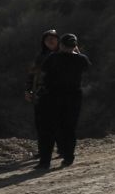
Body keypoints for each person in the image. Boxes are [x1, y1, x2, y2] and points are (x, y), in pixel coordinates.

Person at [34, 33, 91, 169]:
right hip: (73, 97)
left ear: (61, 45)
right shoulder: (81, 59)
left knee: (47, 129)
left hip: (52, 96)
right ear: (74, 46)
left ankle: (45, 161)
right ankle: (68, 157)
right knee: (69, 128)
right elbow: (87, 67)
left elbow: (43, 70)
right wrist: (78, 53)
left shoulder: (53, 57)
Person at [25, 29, 59, 162]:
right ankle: (43, 150)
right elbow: (31, 75)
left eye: (53, 38)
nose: (51, 41)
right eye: (47, 39)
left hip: (59, 94)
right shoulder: (40, 57)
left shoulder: (65, 55)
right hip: (41, 94)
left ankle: (62, 149)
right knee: (41, 124)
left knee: (59, 123)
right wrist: (28, 90)